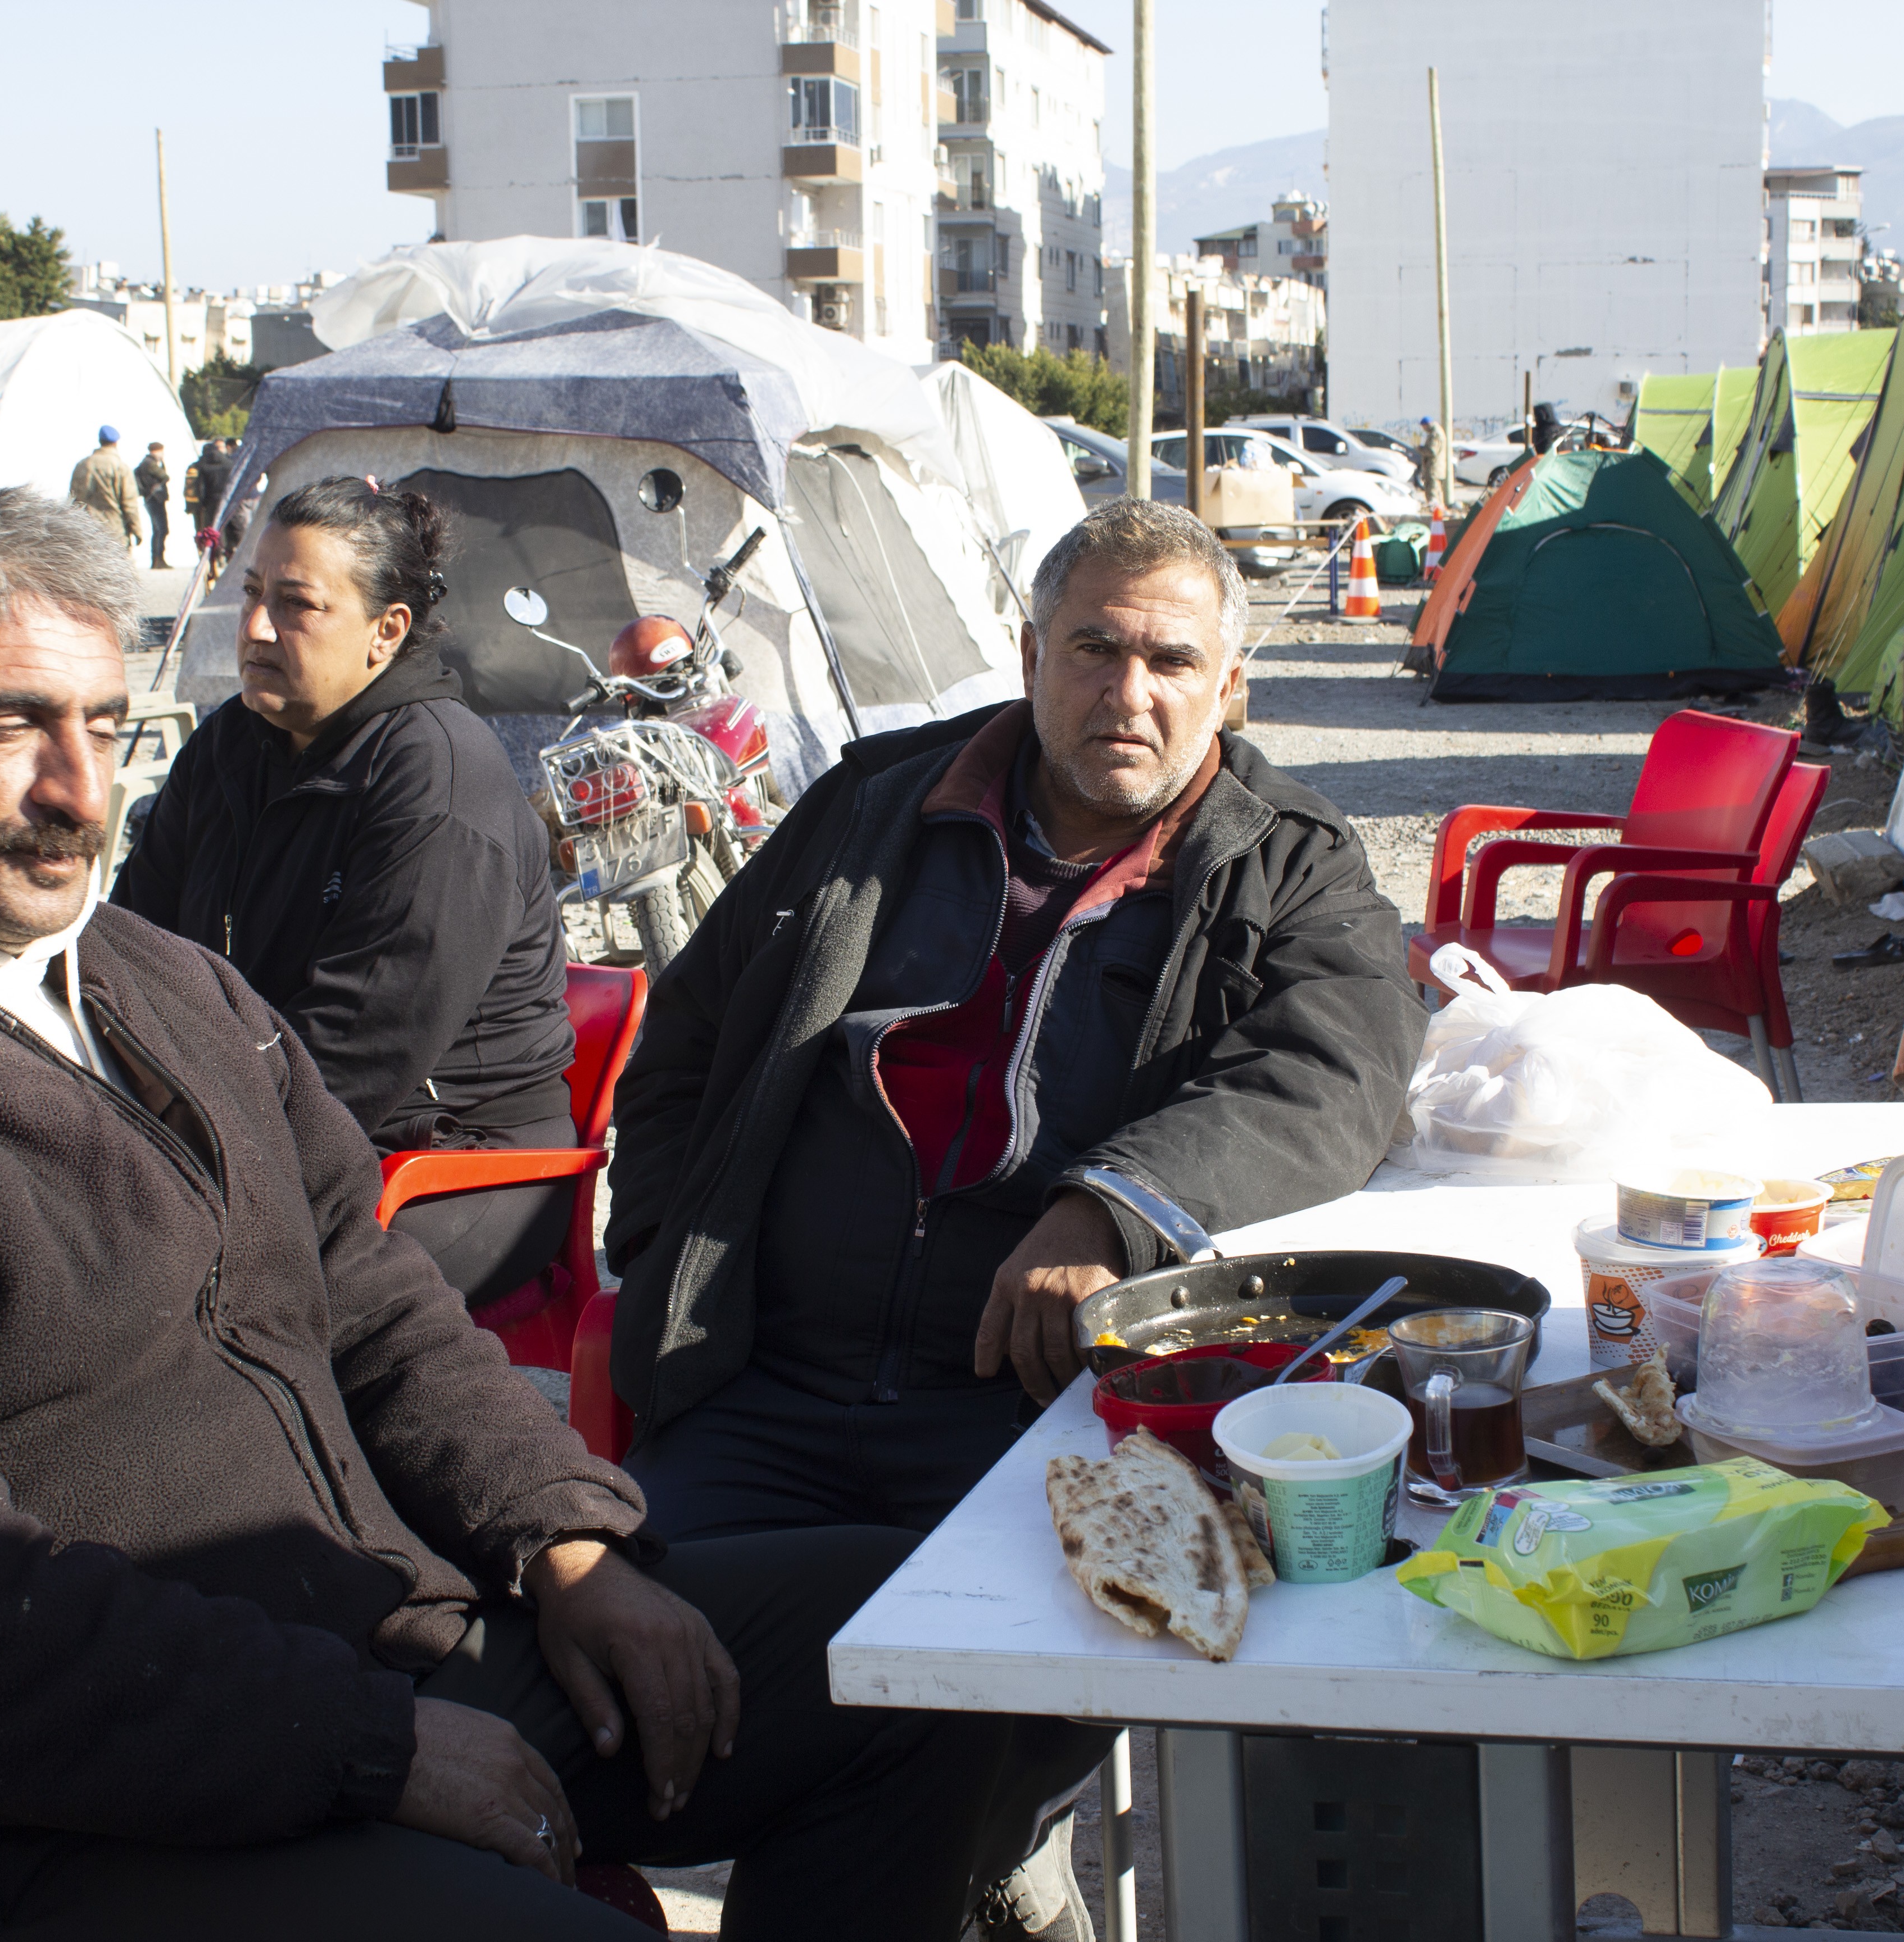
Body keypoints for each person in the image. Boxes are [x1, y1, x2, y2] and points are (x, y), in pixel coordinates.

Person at [0, 484, 1103, 1942]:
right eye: (8, 728)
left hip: (359, 1657)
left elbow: (375, 1292)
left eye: (105, 727)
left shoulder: (135, 978)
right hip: (17, 1833)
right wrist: (371, 1754)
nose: (79, 792)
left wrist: (567, 1539)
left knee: (919, 1661)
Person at [602, 497, 1422, 1939]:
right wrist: (665, 1260)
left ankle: (972, 1844)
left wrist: (1112, 1206)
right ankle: (982, 1859)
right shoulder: (873, 802)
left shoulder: (1284, 860)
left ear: (1229, 685)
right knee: (622, 1689)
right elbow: (688, 1042)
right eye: (1094, 647)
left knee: (939, 1708)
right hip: (762, 1388)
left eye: (1172, 659)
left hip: (1028, 1419)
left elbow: (1334, 1072)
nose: (1129, 690)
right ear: (1030, 650)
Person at [115, 479, 577, 1312]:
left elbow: (358, 1055)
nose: (256, 627)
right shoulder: (232, 743)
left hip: (455, 1166)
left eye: (297, 605)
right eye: (253, 593)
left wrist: (174, 1142)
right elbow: (127, 944)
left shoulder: (438, 784)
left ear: (385, 631)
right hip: (267, 1114)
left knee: (168, 1296)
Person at [67, 423, 144, 552]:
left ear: (100, 441)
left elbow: (73, 499)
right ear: (116, 443)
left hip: (86, 529)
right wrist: (137, 530)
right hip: (114, 530)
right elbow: (129, 503)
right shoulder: (120, 467)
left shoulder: (82, 465)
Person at [135, 438, 173, 569]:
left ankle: (158, 560)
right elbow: (165, 476)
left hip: (152, 499)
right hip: (155, 499)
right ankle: (158, 560)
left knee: (158, 530)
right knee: (161, 529)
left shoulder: (146, 463)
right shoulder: (150, 464)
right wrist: (161, 463)